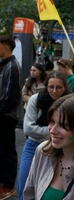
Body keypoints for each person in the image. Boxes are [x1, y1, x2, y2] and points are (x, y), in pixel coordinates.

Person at [17, 71, 70, 200]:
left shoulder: (70, 103)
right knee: (23, 185)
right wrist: (57, 131)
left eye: (59, 87)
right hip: (34, 145)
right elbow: (28, 128)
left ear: (65, 88)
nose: (54, 91)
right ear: (46, 86)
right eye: (51, 87)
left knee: (52, 188)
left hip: (61, 148)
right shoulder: (36, 100)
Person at [0, 36, 23, 199]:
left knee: (7, 150)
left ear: (6, 47)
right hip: (3, 114)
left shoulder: (13, 66)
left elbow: (12, 95)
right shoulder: (4, 64)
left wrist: (1, 111)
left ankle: (8, 186)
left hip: (6, 116)